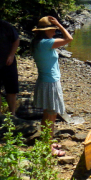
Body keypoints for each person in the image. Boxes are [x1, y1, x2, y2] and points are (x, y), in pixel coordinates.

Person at [31, 16, 73, 156]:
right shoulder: (45, 43)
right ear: (46, 31)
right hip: (50, 82)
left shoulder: (38, 42)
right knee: (51, 115)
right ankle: (48, 147)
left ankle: (46, 142)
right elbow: (69, 39)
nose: (55, 32)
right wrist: (60, 25)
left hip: (44, 80)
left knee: (47, 114)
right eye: (52, 30)